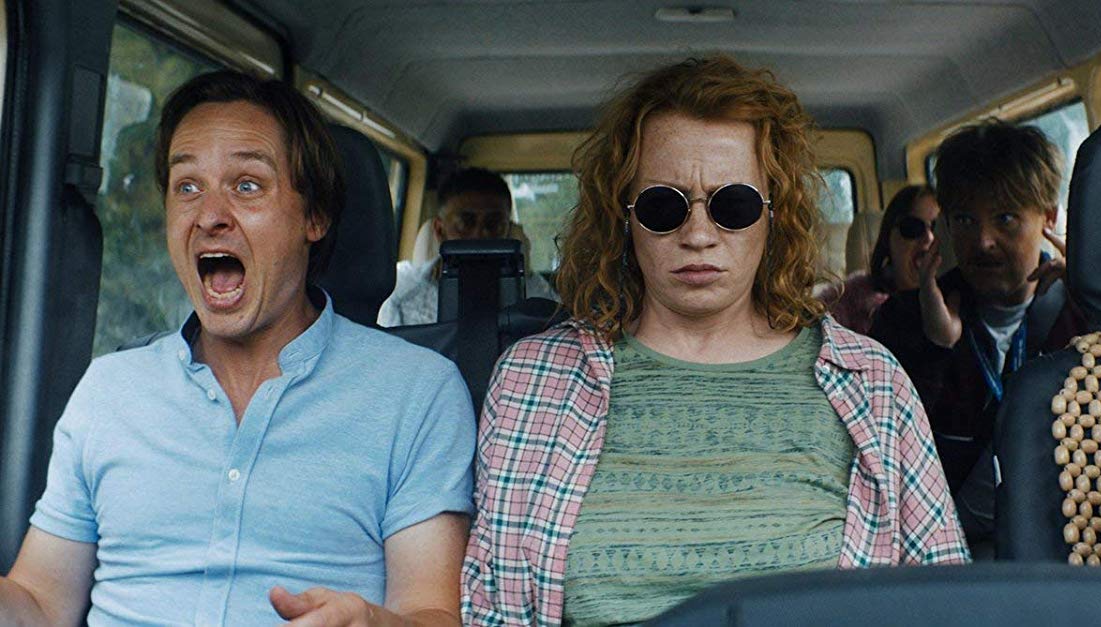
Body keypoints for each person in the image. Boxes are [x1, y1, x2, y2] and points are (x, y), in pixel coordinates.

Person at [461, 56, 968, 626]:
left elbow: (947, 600)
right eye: (663, 207)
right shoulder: (533, 380)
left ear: (774, 215)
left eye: (733, 205)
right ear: (622, 218)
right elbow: (492, 609)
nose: (698, 234)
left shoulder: (871, 381)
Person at [0, 71, 475, 626]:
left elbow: (430, 612)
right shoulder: (109, 389)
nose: (209, 216)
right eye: (187, 187)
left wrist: (372, 623)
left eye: (247, 185)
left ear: (314, 217)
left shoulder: (418, 392)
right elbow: (38, 603)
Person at [868, 119, 1078, 492]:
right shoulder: (904, 318)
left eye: (1005, 219)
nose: (983, 241)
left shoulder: (1082, 313)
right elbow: (880, 456)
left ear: (1048, 217)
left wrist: (1098, 297)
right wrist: (935, 349)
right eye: (965, 220)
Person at [378, 168, 557, 326]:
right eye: (464, 223)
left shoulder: (534, 295)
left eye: (494, 224)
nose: (480, 235)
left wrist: (523, 273)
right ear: (440, 231)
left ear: (508, 230)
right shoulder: (400, 289)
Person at [816, 184, 939, 334]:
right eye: (912, 227)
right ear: (888, 239)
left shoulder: (959, 302)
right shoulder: (847, 302)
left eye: (938, 228)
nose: (929, 238)